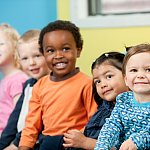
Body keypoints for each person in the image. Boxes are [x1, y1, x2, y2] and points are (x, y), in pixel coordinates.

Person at [18, 20, 97, 150]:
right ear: (43, 53)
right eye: (50, 51)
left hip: (74, 144)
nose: (58, 55)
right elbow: (31, 124)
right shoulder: (39, 86)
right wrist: (24, 147)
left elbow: (94, 120)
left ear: (78, 50)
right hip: (48, 143)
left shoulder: (87, 83)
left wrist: (81, 137)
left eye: (65, 49)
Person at [63, 52, 129, 150]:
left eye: (109, 76)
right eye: (98, 81)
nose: (102, 85)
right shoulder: (104, 106)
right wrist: (79, 134)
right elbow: (92, 125)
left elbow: (120, 147)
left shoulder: (130, 111)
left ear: (127, 75)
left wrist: (85, 142)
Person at [0, 29, 50, 150]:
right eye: (25, 59)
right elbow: (14, 119)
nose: (31, 63)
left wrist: (16, 144)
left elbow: (37, 122)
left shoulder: (50, 85)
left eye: (37, 56)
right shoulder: (28, 85)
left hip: (37, 143)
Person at [94, 43, 150, 150]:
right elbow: (112, 125)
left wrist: (138, 141)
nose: (140, 75)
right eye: (134, 70)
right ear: (126, 79)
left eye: (149, 70)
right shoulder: (123, 100)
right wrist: (102, 145)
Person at [0, 24, 28, 135]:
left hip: (9, 138)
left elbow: (21, 115)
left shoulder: (17, 80)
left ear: (15, 48)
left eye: (1, 44)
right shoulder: (6, 80)